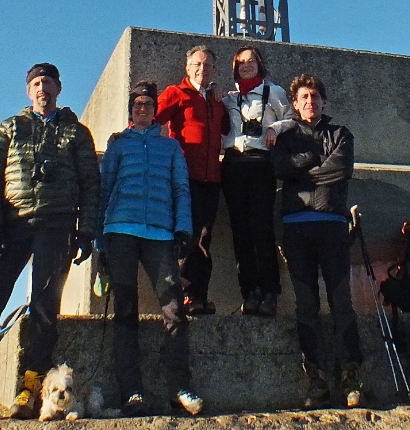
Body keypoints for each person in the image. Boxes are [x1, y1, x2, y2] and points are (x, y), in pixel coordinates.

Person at [0, 63, 100, 423]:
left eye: (48, 82)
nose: (43, 88)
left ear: (59, 87)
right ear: (29, 90)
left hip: (57, 227)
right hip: (12, 225)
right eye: (36, 83)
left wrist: (86, 230)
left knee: (43, 311)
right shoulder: (11, 127)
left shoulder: (76, 132)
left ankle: (29, 388)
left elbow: (91, 183)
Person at [99, 80, 204, 416]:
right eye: (136, 104)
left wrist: (183, 228)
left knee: (174, 309)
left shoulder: (170, 147)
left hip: (160, 233)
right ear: (131, 111)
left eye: (147, 104)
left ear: (155, 110)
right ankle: (132, 392)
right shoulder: (117, 146)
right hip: (121, 231)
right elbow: (104, 191)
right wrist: (101, 241)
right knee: (125, 311)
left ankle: (180, 388)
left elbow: (181, 189)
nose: (142, 108)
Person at [271, 73, 366, 409]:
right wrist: (308, 162)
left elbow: (339, 171)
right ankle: (317, 380)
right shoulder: (285, 137)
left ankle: (351, 376)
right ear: (294, 104)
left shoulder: (340, 134)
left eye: (315, 96)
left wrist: (302, 173)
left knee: (342, 303)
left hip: (332, 226)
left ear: (323, 101)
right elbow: (279, 168)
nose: (310, 102)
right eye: (304, 97)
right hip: (296, 228)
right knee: (307, 306)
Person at [220, 45, 292, 316]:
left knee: (262, 228)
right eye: (241, 62)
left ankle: (270, 290)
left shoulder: (273, 91)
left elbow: (292, 118)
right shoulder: (229, 98)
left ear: (260, 65)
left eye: (251, 61)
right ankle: (249, 292)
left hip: (261, 163)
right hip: (234, 163)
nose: (246, 65)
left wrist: (274, 127)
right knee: (240, 231)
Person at [156, 45, 227, 314]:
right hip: (185, 178)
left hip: (212, 179)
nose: (202, 69)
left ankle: (198, 295)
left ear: (214, 71)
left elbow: (228, 128)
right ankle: (184, 295)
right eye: (197, 64)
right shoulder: (177, 93)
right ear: (187, 69)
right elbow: (152, 119)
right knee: (188, 236)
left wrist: (219, 96)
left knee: (204, 238)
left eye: (207, 65)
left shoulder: (216, 98)